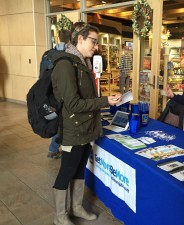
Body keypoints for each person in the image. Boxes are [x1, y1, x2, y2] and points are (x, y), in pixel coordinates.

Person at [51, 22, 122, 225]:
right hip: (73, 129)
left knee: (80, 168)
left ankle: (76, 208)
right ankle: (60, 216)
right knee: (67, 170)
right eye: (94, 41)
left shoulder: (82, 63)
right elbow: (73, 104)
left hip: (86, 127)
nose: (97, 46)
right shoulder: (65, 65)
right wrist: (104, 101)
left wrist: (103, 99)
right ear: (80, 39)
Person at [47, 29, 71, 159]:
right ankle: (53, 149)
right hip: (63, 95)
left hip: (51, 94)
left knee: (58, 122)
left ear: (58, 37)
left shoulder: (49, 53)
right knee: (62, 123)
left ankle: (53, 149)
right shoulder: (68, 54)